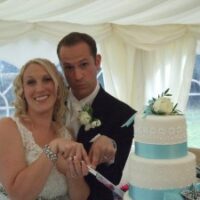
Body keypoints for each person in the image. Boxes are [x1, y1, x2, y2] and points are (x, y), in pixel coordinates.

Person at [57, 32, 136, 200]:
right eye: (68, 68)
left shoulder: (124, 115)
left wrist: (112, 147)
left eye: (83, 64)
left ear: (98, 61)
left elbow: (112, 180)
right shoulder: (50, 105)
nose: (77, 76)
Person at [0, 58, 90, 200]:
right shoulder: (8, 127)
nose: (40, 88)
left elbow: (80, 197)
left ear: (57, 87)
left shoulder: (66, 134)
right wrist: (52, 148)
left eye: (47, 79)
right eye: (31, 82)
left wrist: (72, 173)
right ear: (23, 91)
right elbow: (18, 195)